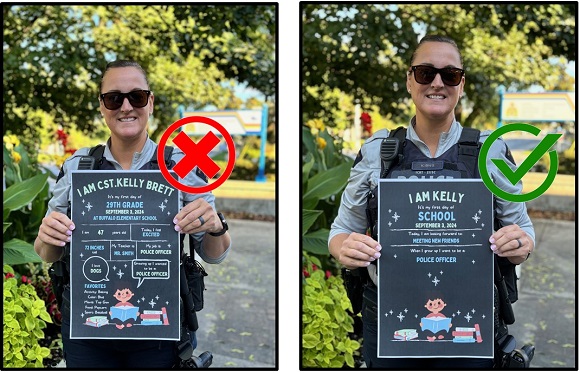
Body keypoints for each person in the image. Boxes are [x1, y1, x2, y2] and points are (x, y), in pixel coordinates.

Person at [329, 35, 535, 368]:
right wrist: (344, 249)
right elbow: (341, 230)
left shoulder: (490, 151)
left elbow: (523, 230)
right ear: (410, 80)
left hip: (473, 318)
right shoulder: (376, 152)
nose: (437, 82)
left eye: (450, 75)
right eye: (426, 73)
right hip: (388, 319)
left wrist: (521, 243)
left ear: (461, 84)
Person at [34, 60, 231, 368]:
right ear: (101, 106)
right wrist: (47, 235)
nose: (126, 106)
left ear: (150, 102)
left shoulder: (181, 164)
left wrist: (216, 226)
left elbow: (215, 254)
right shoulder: (77, 166)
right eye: (114, 98)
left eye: (136, 96)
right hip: (88, 329)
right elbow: (47, 253)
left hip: (160, 333)